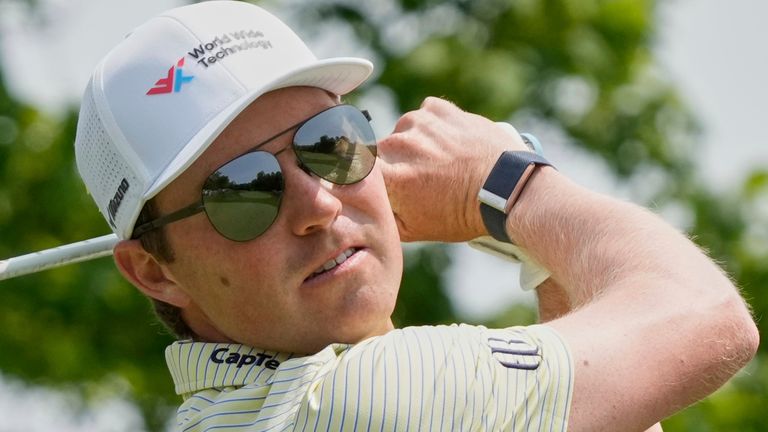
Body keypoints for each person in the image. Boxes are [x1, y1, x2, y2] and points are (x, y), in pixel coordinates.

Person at [73, 2, 758, 431]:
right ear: (154, 271)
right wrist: (508, 184)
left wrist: (536, 249)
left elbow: (607, 402)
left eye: (328, 144)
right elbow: (705, 316)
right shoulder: (357, 403)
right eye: (243, 190)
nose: (320, 202)